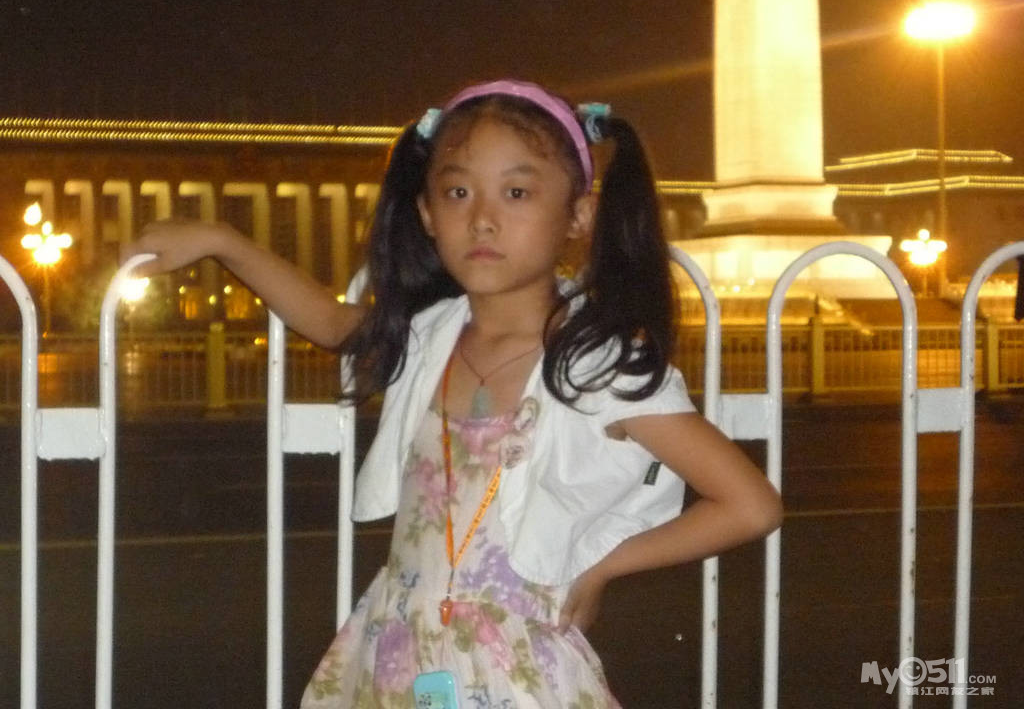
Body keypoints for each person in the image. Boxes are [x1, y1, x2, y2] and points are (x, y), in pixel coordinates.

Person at [126, 79, 783, 708]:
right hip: (400, 655)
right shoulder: (431, 337)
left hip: (519, 672)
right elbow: (330, 322)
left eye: (517, 192)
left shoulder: (592, 367)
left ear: (579, 215)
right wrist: (223, 242)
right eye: (458, 191)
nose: (483, 219)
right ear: (427, 214)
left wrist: (602, 565)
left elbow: (750, 504)